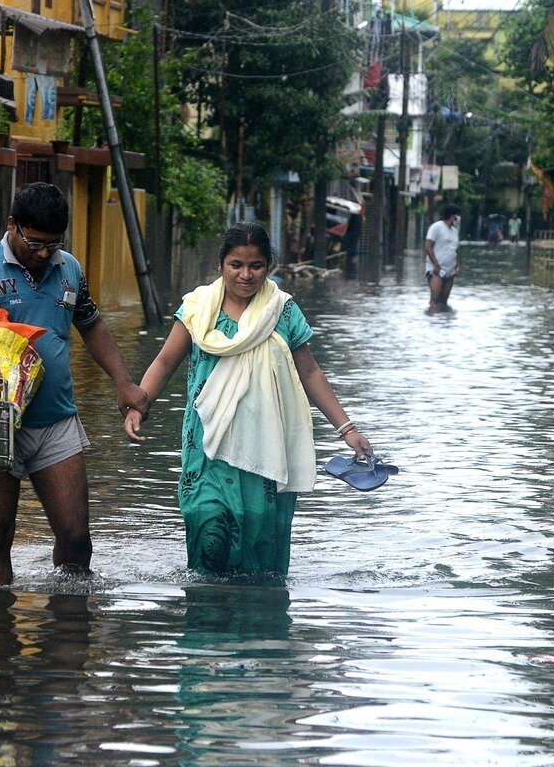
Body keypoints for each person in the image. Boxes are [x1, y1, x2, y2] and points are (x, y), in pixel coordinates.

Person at [0, 182, 148, 586]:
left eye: (52, 246)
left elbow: (92, 327)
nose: (43, 254)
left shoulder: (70, 270)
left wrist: (124, 384)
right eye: (34, 243)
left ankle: (67, 630)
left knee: (77, 538)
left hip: (56, 419)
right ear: (11, 225)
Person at [124, 222, 372, 576]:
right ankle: (207, 621)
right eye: (235, 265)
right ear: (221, 265)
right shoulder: (197, 309)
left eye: (255, 266)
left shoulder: (282, 312)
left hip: (265, 447)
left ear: (268, 266)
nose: (245, 275)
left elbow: (310, 373)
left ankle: (256, 621)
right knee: (206, 523)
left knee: (258, 539)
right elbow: (165, 361)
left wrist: (347, 428)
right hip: (207, 445)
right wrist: (139, 404)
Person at [425, 203, 462, 313]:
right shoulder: (436, 227)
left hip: (450, 270)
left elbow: (453, 250)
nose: (459, 218)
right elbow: (428, 246)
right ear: (452, 216)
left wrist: (457, 265)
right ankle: (433, 320)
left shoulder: (454, 231)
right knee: (435, 299)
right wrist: (436, 264)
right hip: (436, 270)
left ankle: (443, 322)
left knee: (444, 300)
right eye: (457, 215)